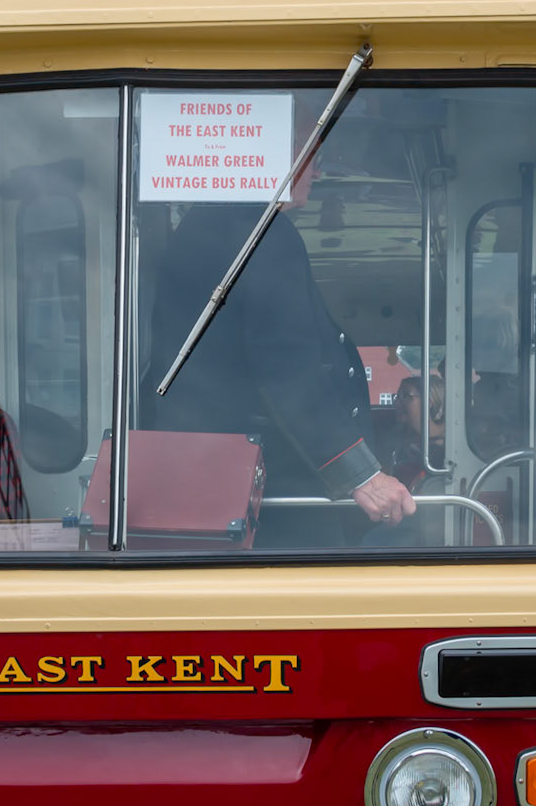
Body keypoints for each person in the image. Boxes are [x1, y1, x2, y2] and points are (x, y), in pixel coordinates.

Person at [144, 197, 414, 545]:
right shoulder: (261, 232)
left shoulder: (203, 229)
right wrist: (361, 475)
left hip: (212, 484)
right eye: (304, 143)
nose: (316, 163)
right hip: (275, 499)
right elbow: (287, 366)